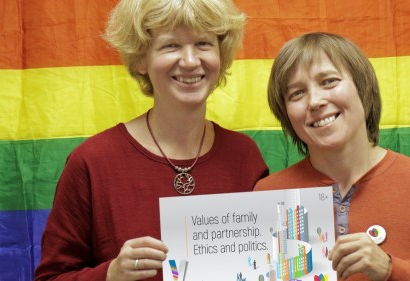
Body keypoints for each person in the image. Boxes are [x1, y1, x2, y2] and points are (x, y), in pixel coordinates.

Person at [34, 0, 269, 280]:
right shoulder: (92, 161)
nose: (191, 61)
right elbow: (51, 277)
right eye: (171, 45)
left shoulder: (244, 155)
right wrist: (110, 274)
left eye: (204, 43)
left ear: (221, 54)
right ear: (140, 60)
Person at [254, 32, 410, 281]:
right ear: (286, 115)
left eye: (328, 81)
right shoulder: (268, 194)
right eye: (296, 94)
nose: (315, 101)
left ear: (362, 87)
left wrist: (391, 270)